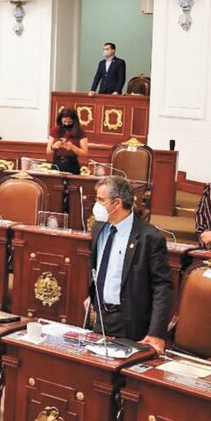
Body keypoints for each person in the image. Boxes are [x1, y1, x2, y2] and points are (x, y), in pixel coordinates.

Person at [87, 176, 172, 355]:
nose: (96, 205)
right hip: (102, 317)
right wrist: (92, 294)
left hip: (130, 321)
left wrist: (156, 333)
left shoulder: (150, 238)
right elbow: (95, 264)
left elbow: (162, 287)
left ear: (117, 203)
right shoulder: (98, 228)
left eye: (101, 200)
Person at [46, 107, 89, 174]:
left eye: (69, 122)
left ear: (74, 121)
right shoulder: (55, 130)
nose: (66, 124)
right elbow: (48, 151)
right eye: (64, 122)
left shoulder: (80, 131)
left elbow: (85, 153)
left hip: (72, 164)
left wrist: (72, 147)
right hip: (56, 164)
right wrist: (54, 146)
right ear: (60, 120)